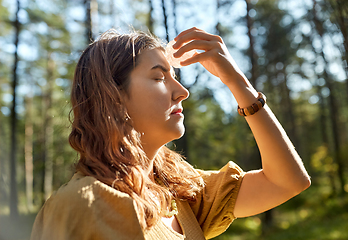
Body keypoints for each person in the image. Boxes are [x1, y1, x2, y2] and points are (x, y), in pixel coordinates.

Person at [30, 27, 311, 240]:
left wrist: (238, 82)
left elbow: (287, 182)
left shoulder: (182, 195)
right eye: (158, 77)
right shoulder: (80, 204)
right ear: (113, 97)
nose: (182, 92)